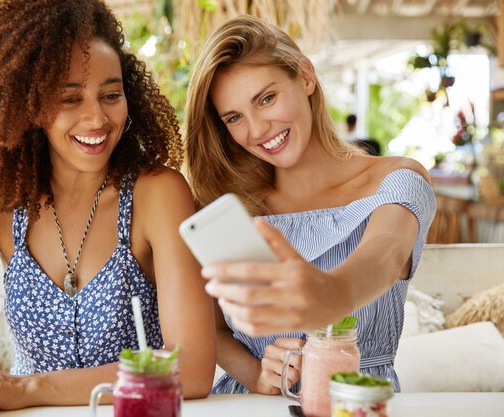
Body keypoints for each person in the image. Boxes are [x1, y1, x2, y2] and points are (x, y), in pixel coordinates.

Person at [0, 1, 215, 415]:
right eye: (69, 99)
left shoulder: (158, 194)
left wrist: (24, 387)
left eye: (111, 95)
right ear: (27, 105)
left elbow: (192, 369)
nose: (97, 118)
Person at [183, 15, 435, 395]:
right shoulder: (227, 206)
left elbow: (384, 255)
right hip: (249, 406)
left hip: (354, 403)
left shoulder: (395, 180)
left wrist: (330, 294)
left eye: (266, 98)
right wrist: (255, 373)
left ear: (305, 76)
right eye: (234, 117)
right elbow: (213, 327)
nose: (255, 130)